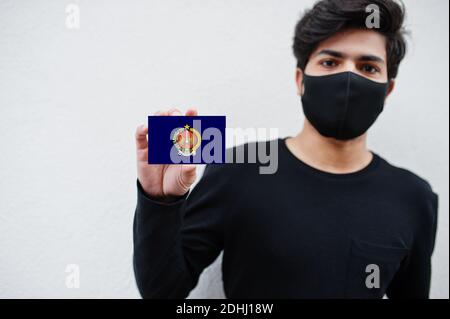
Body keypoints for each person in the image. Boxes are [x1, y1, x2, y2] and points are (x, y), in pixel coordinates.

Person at [133, 0, 438, 299]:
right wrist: (160, 200)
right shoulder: (238, 168)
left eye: (368, 67)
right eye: (330, 62)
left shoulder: (414, 197)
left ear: (387, 89)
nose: (348, 79)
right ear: (300, 80)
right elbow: (162, 291)